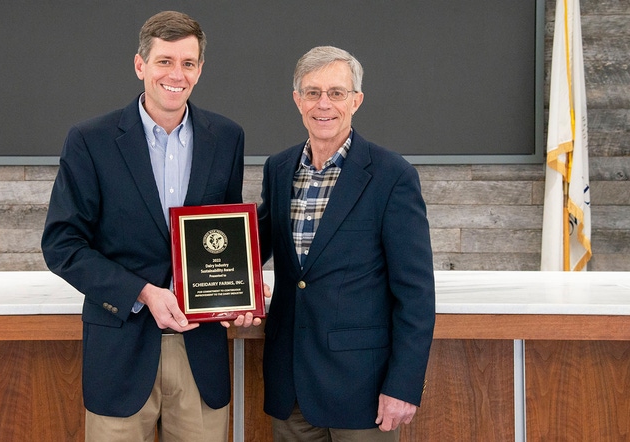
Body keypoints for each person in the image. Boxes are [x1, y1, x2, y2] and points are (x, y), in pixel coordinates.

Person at [41, 11, 258, 442]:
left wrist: (241, 288)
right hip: (122, 347)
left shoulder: (227, 138)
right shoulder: (90, 140)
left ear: (199, 70)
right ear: (141, 65)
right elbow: (62, 244)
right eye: (164, 61)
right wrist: (142, 293)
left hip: (201, 350)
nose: (176, 74)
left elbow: (222, 236)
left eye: (188, 63)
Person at [257, 46, 436, 441]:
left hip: (363, 391)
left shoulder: (392, 175)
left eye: (336, 93)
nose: (324, 104)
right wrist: (219, 283)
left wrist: (402, 386)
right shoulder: (279, 168)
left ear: (356, 100)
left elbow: (416, 293)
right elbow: (257, 245)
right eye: (313, 92)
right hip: (291, 387)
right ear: (297, 100)